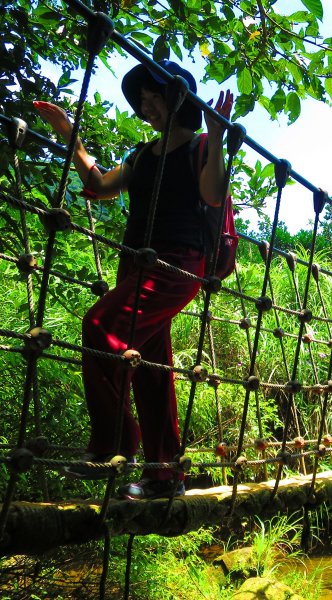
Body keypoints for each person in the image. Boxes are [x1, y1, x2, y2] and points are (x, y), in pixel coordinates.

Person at [34, 60, 233, 500]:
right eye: (141, 100)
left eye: (154, 97)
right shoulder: (142, 156)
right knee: (150, 370)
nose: (146, 106)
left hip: (179, 265)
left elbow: (213, 194)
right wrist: (69, 132)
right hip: (135, 265)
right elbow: (101, 184)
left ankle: (116, 443)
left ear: (179, 98)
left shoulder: (200, 146)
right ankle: (165, 477)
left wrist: (218, 139)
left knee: (100, 327)